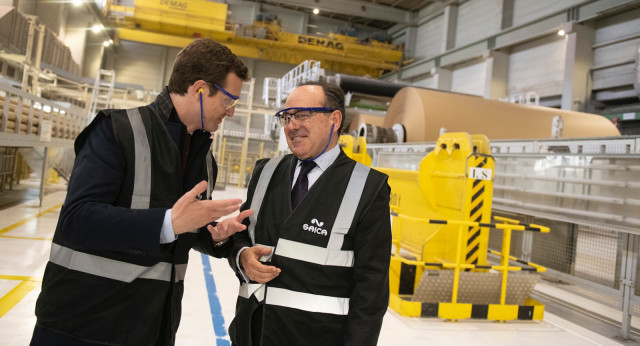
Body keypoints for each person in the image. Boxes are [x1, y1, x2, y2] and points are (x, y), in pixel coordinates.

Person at [31, 38, 252, 346]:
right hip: (84, 324)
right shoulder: (116, 131)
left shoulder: (203, 157)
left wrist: (212, 236)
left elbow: (179, 233)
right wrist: (169, 223)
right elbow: (77, 219)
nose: (230, 112)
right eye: (229, 101)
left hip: (152, 327)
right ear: (200, 89)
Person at [228, 81, 392, 345]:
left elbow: (371, 289)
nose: (292, 126)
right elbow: (241, 237)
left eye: (303, 115)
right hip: (252, 334)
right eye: (287, 117)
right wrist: (242, 256)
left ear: (335, 119)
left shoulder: (368, 188)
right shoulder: (265, 172)